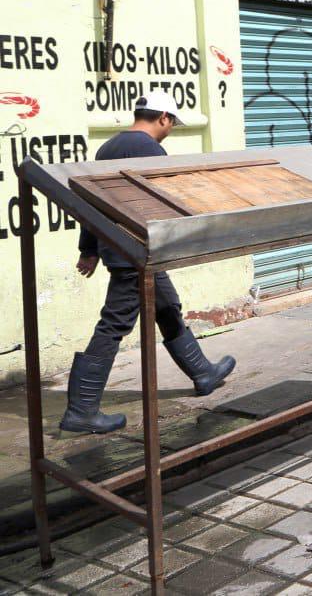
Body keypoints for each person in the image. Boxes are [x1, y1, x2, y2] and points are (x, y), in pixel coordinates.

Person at [62, 92, 236, 434]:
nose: (169, 130)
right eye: (171, 124)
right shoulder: (152, 151)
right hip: (137, 254)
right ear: (164, 118)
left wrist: (90, 249)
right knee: (114, 325)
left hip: (120, 249)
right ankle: (81, 410)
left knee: (167, 307)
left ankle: (203, 373)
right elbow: (163, 205)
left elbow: (91, 205)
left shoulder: (106, 149)